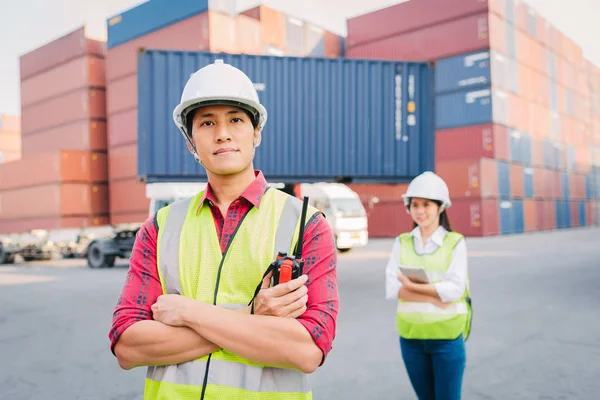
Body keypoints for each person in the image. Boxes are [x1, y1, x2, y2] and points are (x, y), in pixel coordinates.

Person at [109, 59, 339, 399]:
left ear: (256, 132)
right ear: (190, 141)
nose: (223, 133)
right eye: (206, 122)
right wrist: (251, 314)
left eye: (235, 119)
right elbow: (128, 346)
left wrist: (189, 312)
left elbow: (307, 351)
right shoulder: (159, 228)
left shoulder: (307, 225)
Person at [384, 171, 472, 400]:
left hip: (447, 340)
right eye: (414, 205)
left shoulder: (455, 243)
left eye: (426, 205)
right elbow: (392, 288)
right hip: (411, 341)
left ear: (440, 207)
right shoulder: (401, 242)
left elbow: (454, 290)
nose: (420, 211)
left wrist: (410, 287)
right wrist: (435, 295)